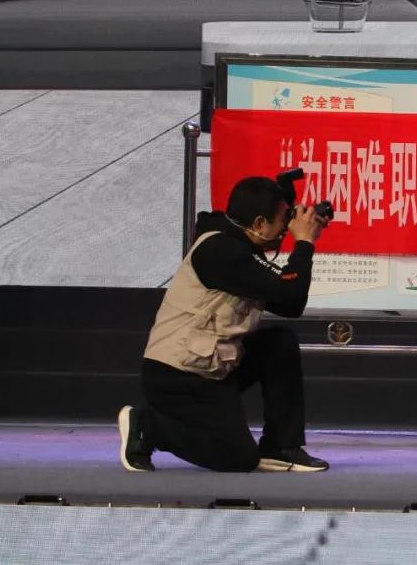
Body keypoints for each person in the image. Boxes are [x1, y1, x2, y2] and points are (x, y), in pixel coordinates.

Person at [118, 176, 331, 473]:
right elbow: (291, 294)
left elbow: (288, 305)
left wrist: (304, 240)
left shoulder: (240, 250)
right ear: (259, 223)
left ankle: (281, 446)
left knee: (278, 343)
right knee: (239, 459)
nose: (286, 227)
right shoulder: (221, 250)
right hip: (177, 377)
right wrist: (304, 242)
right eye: (284, 219)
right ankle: (148, 425)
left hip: (213, 369)